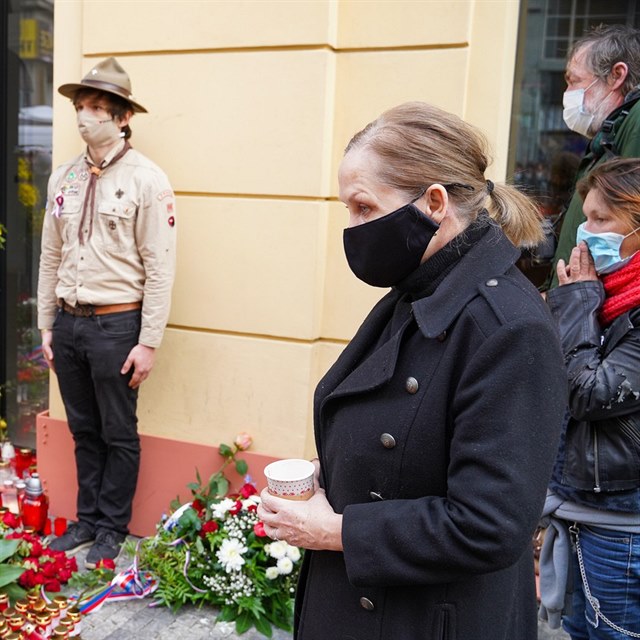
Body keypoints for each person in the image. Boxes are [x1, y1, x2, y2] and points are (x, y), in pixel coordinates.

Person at [257, 102, 567, 640]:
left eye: (362, 207)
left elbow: (489, 525)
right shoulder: (422, 286)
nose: (352, 229)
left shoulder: (508, 327)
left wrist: (337, 532)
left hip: (430, 619)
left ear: (434, 203)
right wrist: (334, 464)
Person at [37, 58, 177, 567]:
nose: (85, 117)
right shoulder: (64, 178)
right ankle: (87, 519)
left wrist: (149, 341)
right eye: (81, 106)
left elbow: (160, 266)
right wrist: (46, 324)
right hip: (70, 323)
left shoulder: (147, 180)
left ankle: (111, 528)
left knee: (118, 430)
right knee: (83, 428)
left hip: (118, 324)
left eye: (97, 108)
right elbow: (49, 254)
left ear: (121, 118)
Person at [540, 157, 640, 639]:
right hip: (591, 513)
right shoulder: (610, 295)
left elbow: (588, 393)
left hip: (624, 527)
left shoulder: (602, 300)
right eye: (586, 216)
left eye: (602, 220)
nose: (585, 231)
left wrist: (577, 301)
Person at [546, 24, 640, 290]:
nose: (567, 93)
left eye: (573, 81)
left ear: (616, 76)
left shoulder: (636, 121)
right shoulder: (611, 132)